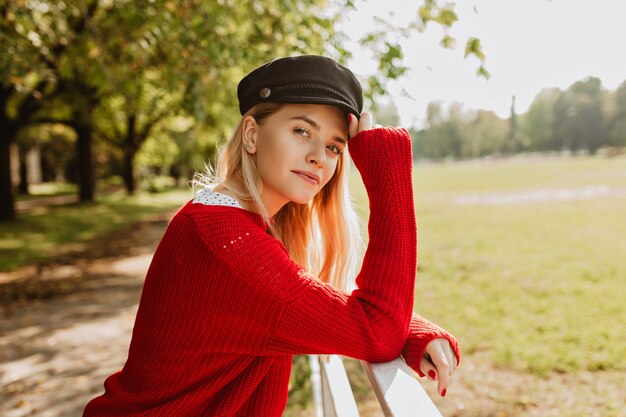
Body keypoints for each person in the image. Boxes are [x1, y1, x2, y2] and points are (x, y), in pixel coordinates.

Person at [83, 55, 461, 417]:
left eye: (334, 146)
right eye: (301, 131)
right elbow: (375, 333)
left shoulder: (226, 222)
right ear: (251, 133)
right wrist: (387, 176)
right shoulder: (227, 243)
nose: (319, 157)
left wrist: (406, 328)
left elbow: (310, 300)